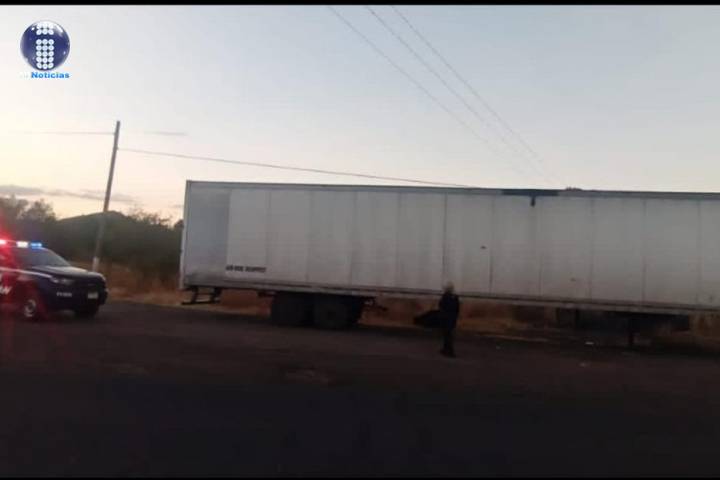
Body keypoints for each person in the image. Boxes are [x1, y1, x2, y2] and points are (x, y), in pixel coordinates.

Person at [438, 281, 460, 357]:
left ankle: (450, 351)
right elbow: (457, 308)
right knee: (448, 334)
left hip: (446, 318)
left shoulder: (445, 296)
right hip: (452, 318)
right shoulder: (455, 297)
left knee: (447, 335)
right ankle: (446, 349)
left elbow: (441, 305)